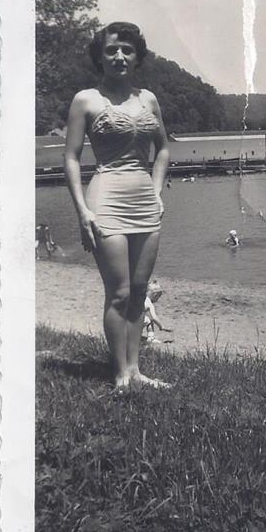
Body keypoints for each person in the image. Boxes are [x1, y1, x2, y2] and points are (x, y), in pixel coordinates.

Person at [64, 21, 170, 390]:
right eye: (111, 50)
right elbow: (72, 158)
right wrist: (82, 210)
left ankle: (136, 370)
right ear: (100, 57)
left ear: (137, 57)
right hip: (105, 196)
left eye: (127, 50)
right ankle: (120, 372)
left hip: (144, 199)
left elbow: (163, 149)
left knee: (139, 291)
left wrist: (157, 192)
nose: (119, 56)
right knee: (120, 292)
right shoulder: (85, 100)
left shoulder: (149, 99)